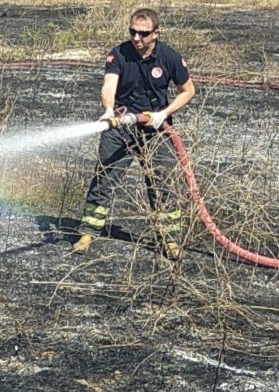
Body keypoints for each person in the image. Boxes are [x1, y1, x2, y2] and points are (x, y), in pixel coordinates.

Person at [72, 8, 196, 259]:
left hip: (156, 129)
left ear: (156, 34)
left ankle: (168, 239)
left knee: (163, 184)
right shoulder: (119, 54)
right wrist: (108, 110)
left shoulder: (169, 56)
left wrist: (164, 113)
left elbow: (188, 90)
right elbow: (109, 84)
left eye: (143, 33)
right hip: (121, 127)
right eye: (133, 32)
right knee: (104, 176)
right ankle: (87, 232)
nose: (137, 38)